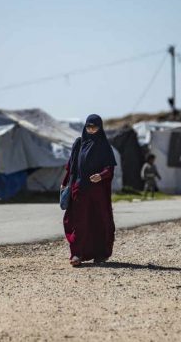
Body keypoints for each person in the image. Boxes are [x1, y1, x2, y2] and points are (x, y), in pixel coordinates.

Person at [61, 114, 117, 267]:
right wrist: (65, 183)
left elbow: (110, 169)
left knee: (99, 221)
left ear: (100, 127)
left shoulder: (104, 146)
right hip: (80, 189)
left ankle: (100, 254)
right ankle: (77, 254)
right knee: (78, 221)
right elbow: (71, 167)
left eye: (94, 126)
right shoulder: (79, 144)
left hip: (98, 192)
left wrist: (101, 175)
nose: (91, 129)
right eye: (88, 126)